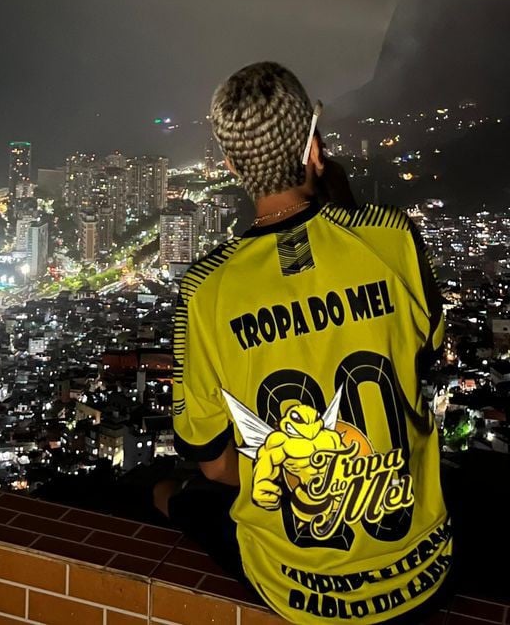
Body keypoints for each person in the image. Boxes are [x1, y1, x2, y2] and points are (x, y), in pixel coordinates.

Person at [154, 61, 450, 624]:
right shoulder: (392, 238)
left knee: (172, 493)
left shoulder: (206, 291)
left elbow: (216, 467)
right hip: (421, 567)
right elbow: (425, 358)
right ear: (314, 148)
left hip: (294, 588)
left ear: (232, 167)